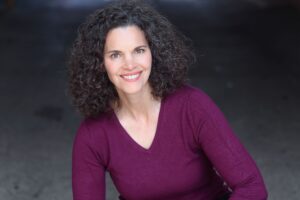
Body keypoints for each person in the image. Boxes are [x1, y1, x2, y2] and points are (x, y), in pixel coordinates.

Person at [69, 0, 268, 199]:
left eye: (139, 50)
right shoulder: (93, 135)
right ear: (100, 64)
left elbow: (251, 186)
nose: (129, 64)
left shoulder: (192, 107)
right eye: (115, 55)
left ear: (153, 53)